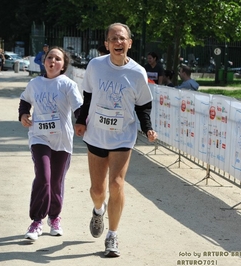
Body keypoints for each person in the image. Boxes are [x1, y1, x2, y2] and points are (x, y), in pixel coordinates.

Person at [74, 23, 158, 257]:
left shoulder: (137, 72)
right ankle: (98, 210)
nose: (118, 43)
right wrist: (81, 121)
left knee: (116, 184)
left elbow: (143, 105)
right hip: (97, 134)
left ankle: (112, 235)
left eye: (122, 39)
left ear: (130, 43)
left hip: (123, 135)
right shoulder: (95, 66)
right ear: (107, 44)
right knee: (98, 189)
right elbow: (88, 96)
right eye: (113, 39)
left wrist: (148, 129)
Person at [18, 46, 83, 241]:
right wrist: (23, 115)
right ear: (44, 61)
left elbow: (79, 108)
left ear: (63, 65)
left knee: (56, 181)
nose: (52, 61)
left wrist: (81, 123)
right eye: (49, 57)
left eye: (57, 59)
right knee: (43, 177)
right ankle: (37, 220)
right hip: (39, 137)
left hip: (62, 140)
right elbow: (25, 101)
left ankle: (54, 217)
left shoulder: (68, 84)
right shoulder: (35, 83)